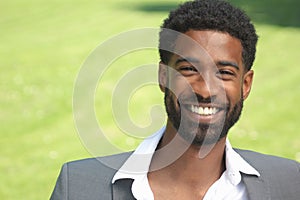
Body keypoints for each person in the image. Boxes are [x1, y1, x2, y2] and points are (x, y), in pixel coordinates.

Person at [50, 0, 300, 199]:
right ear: (163, 76)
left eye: (224, 73)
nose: (205, 91)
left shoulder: (289, 183)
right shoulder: (78, 186)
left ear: (245, 85)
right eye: (189, 69)